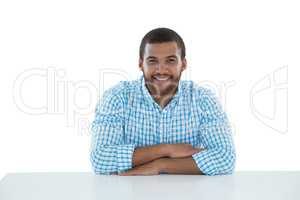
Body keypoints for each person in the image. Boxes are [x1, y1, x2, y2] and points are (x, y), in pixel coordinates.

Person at [90, 28, 236, 176]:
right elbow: (100, 159)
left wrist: (161, 165)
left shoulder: (203, 100)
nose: (161, 70)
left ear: (183, 64)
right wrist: (167, 150)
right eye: (152, 61)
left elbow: (225, 159)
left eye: (170, 61)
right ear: (141, 64)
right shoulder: (117, 97)